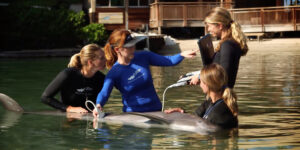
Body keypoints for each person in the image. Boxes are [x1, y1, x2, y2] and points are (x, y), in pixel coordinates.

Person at [93, 29, 197, 117]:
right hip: (134, 116)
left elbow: (168, 61)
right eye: (129, 47)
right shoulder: (114, 73)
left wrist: (182, 55)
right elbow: (104, 93)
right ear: (117, 49)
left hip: (156, 111)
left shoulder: (143, 56)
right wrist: (98, 105)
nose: (133, 48)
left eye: (133, 45)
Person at [165, 63, 238, 128]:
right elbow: (196, 118)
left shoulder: (220, 111)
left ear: (207, 84)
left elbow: (217, 135)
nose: (199, 84)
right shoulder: (210, 102)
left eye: (201, 81)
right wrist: (181, 112)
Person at [190, 7, 248, 88]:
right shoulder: (229, 43)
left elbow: (223, 74)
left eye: (209, 26)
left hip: (222, 96)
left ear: (220, 26)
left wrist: (200, 77)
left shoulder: (227, 45)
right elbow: (219, 68)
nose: (208, 29)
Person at [41, 44, 106, 113]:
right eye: (102, 58)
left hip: (89, 117)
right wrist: (70, 109)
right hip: (68, 117)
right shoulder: (68, 74)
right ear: (90, 62)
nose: (106, 60)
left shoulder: (101, 78)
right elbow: (45, 98)